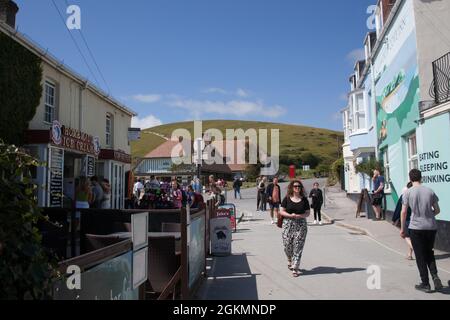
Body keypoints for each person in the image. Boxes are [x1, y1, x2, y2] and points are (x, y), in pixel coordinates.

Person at [400, 169, 443, 293]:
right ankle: (435, 276)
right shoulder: (430, 191)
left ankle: (425, 283)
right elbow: (437, 210)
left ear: (410, 178)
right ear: (421, 178)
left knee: (419, 256)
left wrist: (403, 229)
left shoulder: (407, 193)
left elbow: (403, 212)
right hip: (431, 227)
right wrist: (429, 214)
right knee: (429, 252)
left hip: (416, 227)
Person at [279, 180, 311, 277]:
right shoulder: (287, 199)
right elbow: (281, 211)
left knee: (298, 246)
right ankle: (289, 258)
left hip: (301, 225)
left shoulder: (304, 200)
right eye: (295, 186)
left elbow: (308, 213)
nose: (297, 188)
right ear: (292, 188)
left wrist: (300, 216)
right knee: (287, 245)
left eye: (299, 186)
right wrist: (290, 215)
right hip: (287, 224)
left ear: (301, 188)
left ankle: (295, 267)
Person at [393, 182, 414, 260]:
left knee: (406, 236)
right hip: (417, 220)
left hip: (407, 220)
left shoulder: (404, 196)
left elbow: (399, 209)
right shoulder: (418, 196)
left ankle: (415, 249)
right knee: (411, 237)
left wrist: (394, 219)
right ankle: (410, 254)